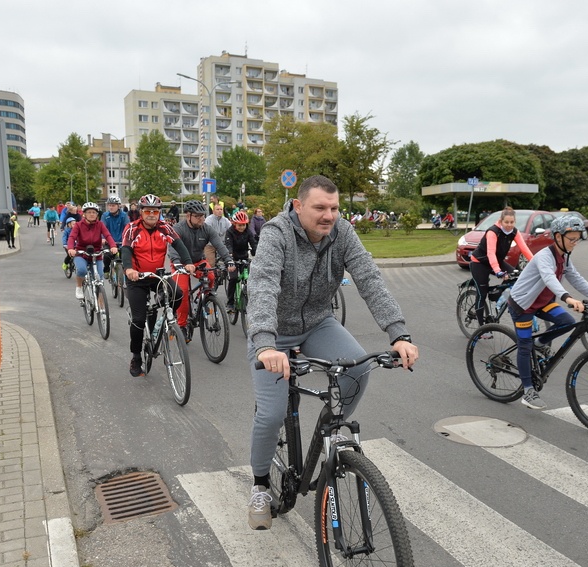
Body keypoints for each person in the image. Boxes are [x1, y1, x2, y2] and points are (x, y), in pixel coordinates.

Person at [245, 175, 419, 530]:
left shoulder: (342, 233)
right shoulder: (276, 234)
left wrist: (398, 333)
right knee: (272, 412)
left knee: (357, 369)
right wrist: (264, 342)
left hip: (318, 322)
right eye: (320, 207)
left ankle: (332, 430)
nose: (328, 215)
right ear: (298, 206)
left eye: (334, 208)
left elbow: (369, 279)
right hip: (274, 332)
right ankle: (260, 484)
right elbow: (262, 285)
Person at [506, 215, 588, 410]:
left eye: (577, 238)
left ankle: (538, 344)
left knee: (567, 321)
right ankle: (528, 390)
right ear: (557, 237)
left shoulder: (564, 257)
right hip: (522, 306)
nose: (575, 243)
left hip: (542, 303)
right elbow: (549, 278)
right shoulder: (544, 257)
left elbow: (576, 278)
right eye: (571, 239)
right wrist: (568, 298)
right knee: (524, 345)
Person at [121, 195, 195, 377]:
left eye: (155, 211)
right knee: (138, 320)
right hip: (137, 279)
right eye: (148, 211)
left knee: (177, 294)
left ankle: (161, 321)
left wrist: (187, 262)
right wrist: (129, 269)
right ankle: (136, 356)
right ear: (141, 212)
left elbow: (179, 244)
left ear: (159, 213)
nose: (152, 214)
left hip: (157, 276)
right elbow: (125, 250)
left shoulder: (165, 227)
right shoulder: (132, 229)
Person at [167, 200, 236, 338]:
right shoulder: (178, 228)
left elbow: (219, 245)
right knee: (183, 292)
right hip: (180, 263)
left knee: (211, 277)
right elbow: (172, 247)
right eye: (198, 216)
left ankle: (201, 299)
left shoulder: (206, 229)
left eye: (203, 216)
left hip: (199, 260)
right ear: (188, 216)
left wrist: (228, 260)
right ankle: (182, 325)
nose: (201, 219)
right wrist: (177, 262)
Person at [469, 207, 534, 325]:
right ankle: (481, 328)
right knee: (482, 293)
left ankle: (497, 296)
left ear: (515, 222)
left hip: (497, 261)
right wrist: (498, 271)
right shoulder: (493, 232)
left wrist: (537, 265)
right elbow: (490, 253)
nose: (509, 225)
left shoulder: (514, 232)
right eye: (506, 222)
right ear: (501, 221)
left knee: (516, 278)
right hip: (480, 262)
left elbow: (525, 249)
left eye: (512, 222)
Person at [66, 202, 118, 300]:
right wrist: (71, 248)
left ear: (97, 214)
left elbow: (107, 235)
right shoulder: (78, 225)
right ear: (84, 214)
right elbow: (72, 237)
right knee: (81, 270)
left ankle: (102, 312)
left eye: (94, 212)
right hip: (81, 253)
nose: (91, 214)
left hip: (96, 254)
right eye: (89, 212)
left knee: (99, 279)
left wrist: (113, 246)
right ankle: (79, 287)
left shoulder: (100, 225)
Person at [223, 211, 258, 310]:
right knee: (233, 279)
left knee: (250, 278)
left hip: (244, 257)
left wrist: (257, 253)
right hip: (232, 258)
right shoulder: (230, 231)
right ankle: (230, 303)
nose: (242, 227)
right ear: (234, 224)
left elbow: (253, 243)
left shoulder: (248, 231)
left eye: (244, 225)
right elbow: (228, 245)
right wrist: (230, 257)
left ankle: (248, 298)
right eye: (239, 225)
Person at [102, 196, 130, 276]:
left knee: (125, 257)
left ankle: (124, 274)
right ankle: (106, 269)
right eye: (109, 205)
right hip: (109, 241)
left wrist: (128, 239)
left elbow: (127, 227)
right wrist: (103, 238)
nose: (111, 207)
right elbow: (102, 228)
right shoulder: (105, 215)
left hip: (122, 241)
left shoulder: (124, 216)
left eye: (113, 205)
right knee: (107, 256)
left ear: (119, 206)